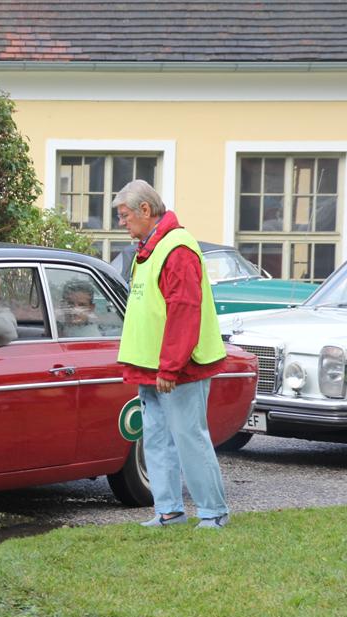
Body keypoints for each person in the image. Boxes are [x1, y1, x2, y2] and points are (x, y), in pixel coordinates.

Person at [114, 179, 231, 529]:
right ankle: (168, 511)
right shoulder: (152, 247)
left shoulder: (176, 249)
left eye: (124, 215)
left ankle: (213, 512)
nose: (122, 223)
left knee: (188, 438)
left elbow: (184, 310)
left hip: (178, 369)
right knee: (157, 438)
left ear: (145, 211)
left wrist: (170, 366)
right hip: (152, 367)